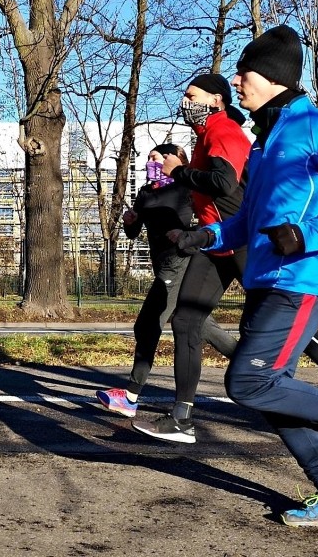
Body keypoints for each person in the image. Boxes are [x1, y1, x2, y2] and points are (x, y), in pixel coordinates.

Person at [176, 24, 318, 526]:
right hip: (266, 277)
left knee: (250, 382)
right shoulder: (265, 142)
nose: (237, 79)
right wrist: (204, 238)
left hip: (303, 276)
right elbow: (248, 221)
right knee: (275, 397)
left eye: (244, 71)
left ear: (273, 77)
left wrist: (306, 235)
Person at [129, 73, 318, 444]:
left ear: (215, 101)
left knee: (284, 332)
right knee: (185, 321)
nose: (184, 103)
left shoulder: (225, 132)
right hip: (218, 242)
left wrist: (179, 173)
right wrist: (196, 232)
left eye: (190, 95)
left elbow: (224, 183)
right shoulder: (203, 139)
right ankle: (182, 417)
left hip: (250, 244)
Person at [95, 144, 239, 418]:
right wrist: (130, 221)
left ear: (176, 160)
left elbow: (208, 218)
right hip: (162, 263)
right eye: (148, 158)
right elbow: (134, 231)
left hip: (182, 259)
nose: (151, 162)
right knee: (199, 323)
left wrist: (189, 232)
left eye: (156, 158)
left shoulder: (186, 187)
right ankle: (250, 363)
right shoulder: (147, 192)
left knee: (149, 323)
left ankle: (130, 396)